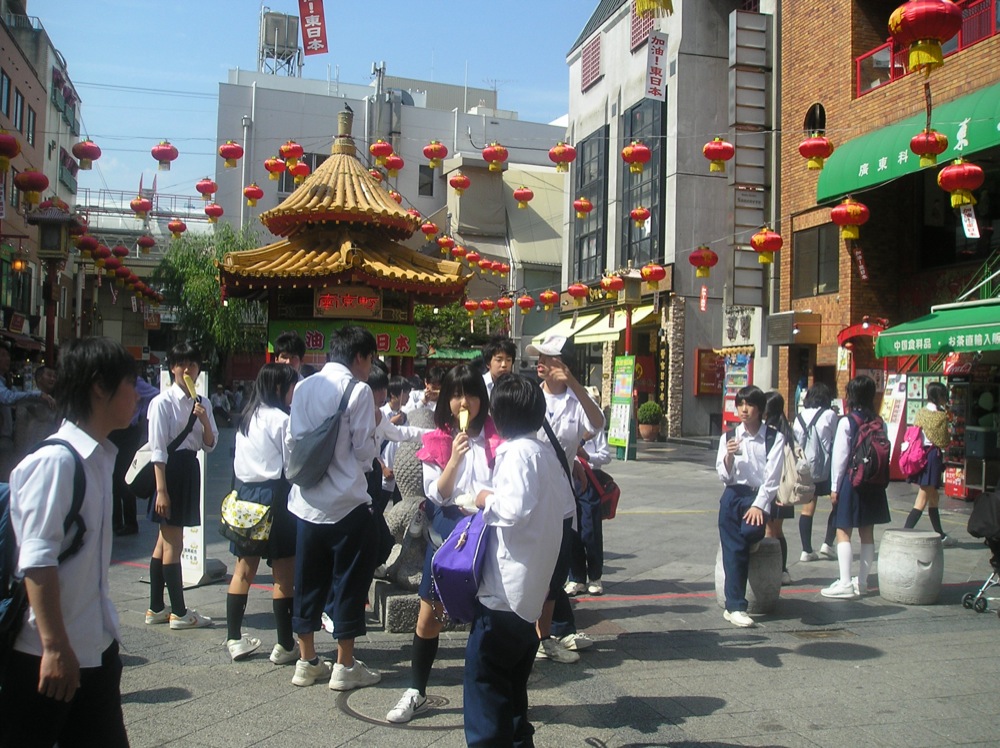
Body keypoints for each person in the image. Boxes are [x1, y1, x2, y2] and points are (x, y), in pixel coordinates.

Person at [1, 337, 137, 748]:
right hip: (43, 659)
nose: (138, 395)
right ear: (99, 387)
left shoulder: (97, 460)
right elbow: (36, 562)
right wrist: (55, 647)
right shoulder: (57, 462)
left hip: (93, 650)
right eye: (131, 384)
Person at [385, 364, 499, 724]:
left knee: (487, 617)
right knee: (428, 615)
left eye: (470, 393)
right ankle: (416, 690)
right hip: (448, 535)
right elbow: (438, 493)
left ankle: (488, 695)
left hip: (486, 533)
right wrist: (454, 458)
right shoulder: (437, 439)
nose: (464, 401)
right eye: (456, 394)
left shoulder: (497, 437)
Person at [462, 373, 566, 747]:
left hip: (504, 595)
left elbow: (514, 509)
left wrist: (483, 499)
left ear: (498, 416)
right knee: (513, 687)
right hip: (531, 592)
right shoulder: (545, 455)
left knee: (486, 683)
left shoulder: (517, 453)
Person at [286, 325, 381, 690]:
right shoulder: (358, 391)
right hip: (347, 505)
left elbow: (294, 439)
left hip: (307, 502)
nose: (369, 367)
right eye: (370, 359)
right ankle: (344, 665)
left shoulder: (305, 385)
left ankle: (307, 660)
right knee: (349, 583)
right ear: (359, 357)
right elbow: (362, 453)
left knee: (307, 580)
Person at [525, 334, 605, 663]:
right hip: (531, 498)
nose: (540, 363)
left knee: (556, 572)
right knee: (533, 570)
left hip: (563, 503)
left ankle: (548, 637)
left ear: (563, 363)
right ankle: (538, 635)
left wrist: (573, 382)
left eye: (548, 357)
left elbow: (597, 424)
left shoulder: (576, 401)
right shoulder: (529, 397)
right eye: (539, 358)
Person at [224, 364, 300, 663]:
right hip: (276, 496)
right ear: (280, 388)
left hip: (245, 498)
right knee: (283, 573)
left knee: (244, 569)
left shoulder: (247, 417)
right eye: (292, 386)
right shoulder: (282, 420)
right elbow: (291, 465)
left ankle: (233, 639)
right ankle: (284, 644)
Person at [144, 342, 218, 630]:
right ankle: (179, 611)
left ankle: (155, 607)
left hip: (190, 467)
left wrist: (203, 419)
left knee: (163, 542)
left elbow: (210, 445)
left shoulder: (204, 402)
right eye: (181, 364)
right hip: (169, 471)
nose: (188, 370)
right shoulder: (162, 403)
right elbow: (158, 450)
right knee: (175, 542)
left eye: (193, 364)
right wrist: (161, 490)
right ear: (172, 368)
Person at [716, 385, 784, 627]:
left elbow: (772, 477)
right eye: (740, 404)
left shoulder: (773, 437)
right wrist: (729, 457)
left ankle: (734, 603)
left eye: (749, 405)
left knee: (750, 534)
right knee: (734, 548)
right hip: (733, 495)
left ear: (760, 409)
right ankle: (735, 606)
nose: (744, 410)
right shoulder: (729, 437)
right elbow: (724, 476)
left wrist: (759, 505)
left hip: (757, 497)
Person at [821, 375, 891, 599]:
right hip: (874, 483)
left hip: (852, 482)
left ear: (851, 394)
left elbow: (840, 459)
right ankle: (862, 583)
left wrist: (834, 487)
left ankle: (845, 583)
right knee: (867, 533)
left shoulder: (847, 421)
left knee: (843, 531)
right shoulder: (880, 422)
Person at [565, 386, 609, 597]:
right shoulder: (569, 424)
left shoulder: (595, 429)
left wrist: (587, 457)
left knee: (590, 530)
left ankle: (595, 576)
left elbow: (606, 455)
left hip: (589, 482)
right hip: (567, 480)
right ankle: (576, 578)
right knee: (571, 530)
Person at [902, 381, 955, 546]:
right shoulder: (941, 416)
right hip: (933, 457)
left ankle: (940, 534)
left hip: (920, 456)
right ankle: (904, 533)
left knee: (934, 498)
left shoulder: (921, 413)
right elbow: (943, 440)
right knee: (922, 499)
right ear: (938, 396)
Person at [793, 383, 838, 562]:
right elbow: (835, 439)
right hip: (827, 467)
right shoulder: (829, 415)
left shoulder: (799, 416)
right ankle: (828, 543)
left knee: (808, 506)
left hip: (805, 467)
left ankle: (806, 549)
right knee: (838, 503)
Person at [109, 375, 158, 536]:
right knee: (113, 478)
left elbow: (156, 394)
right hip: (113, 430)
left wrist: (140, 413)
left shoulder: (134, 381)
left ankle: (130, 523)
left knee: (123, 476)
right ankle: (115, 522)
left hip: (128, 431)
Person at [0, 346, 55, 481]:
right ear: (39, 378)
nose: (7, 359)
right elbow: (8, 398)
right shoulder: (27, 396)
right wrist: (38, 395)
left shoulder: (7, 383)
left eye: (7, 355)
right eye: (2, 355)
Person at [764, 391, 795, 585]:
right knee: (778, 531)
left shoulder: (769, 432)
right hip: (786, 488)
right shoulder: (788, 429)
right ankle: (783, 570)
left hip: (772, 488)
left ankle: (771, 571)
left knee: (769, 532)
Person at [13, 364, 59, 462]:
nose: (52, 379)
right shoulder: (27, 400)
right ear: (39, 378)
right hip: (29, 453)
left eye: (55, 376)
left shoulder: (54, 401)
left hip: (48, 452)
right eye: (49, 375)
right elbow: (20, 432)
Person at [481, 334, 516, 399]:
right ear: (488, 363)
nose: (504, 365)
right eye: (499, 360)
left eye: (508, 360)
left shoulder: (516, 386)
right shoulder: (479, 384)